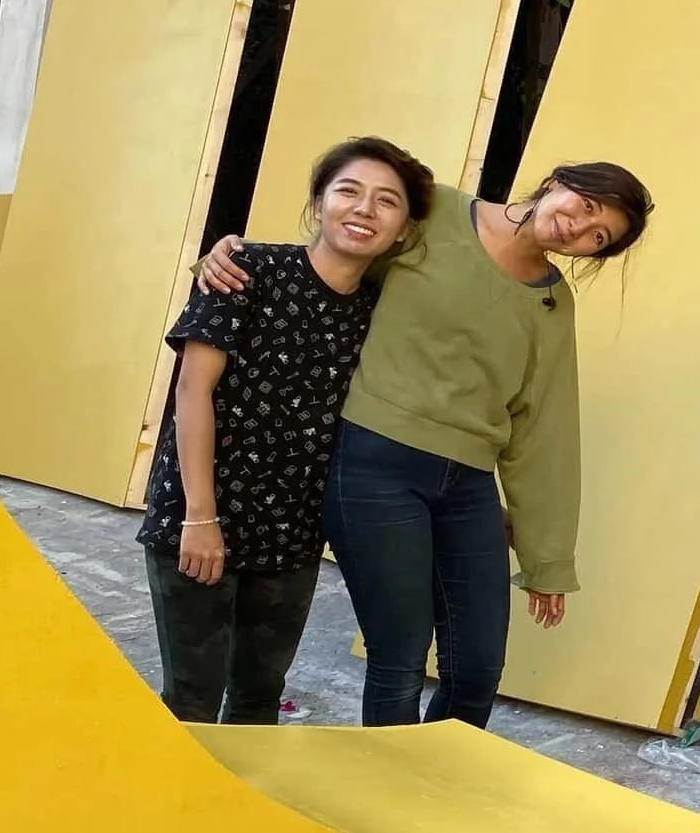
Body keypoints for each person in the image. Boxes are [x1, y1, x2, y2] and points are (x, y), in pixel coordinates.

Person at [199, 158, 654, 726]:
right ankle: (387, 781)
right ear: (559, 182)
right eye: (585, 205)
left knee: (477, 668)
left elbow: (545, 428)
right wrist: (237, 260)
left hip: (467, 484)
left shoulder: (552, 302)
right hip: (374, 463)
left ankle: (437, 775)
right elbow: (338, 255)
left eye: (598, 236)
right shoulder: (437, 211)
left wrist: (548, 560)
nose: (578, 227)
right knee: (400, 659)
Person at [140, 137, 432, 722]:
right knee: (191, 699)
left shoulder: (383, 310)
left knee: (258, 696)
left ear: (403, 230)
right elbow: (192, 392)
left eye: (386, 201)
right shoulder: (246, 271)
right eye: (348, 191)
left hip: (293, 532)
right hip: (201, 514)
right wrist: (200, 517)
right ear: (319, 203)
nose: (364, 209)